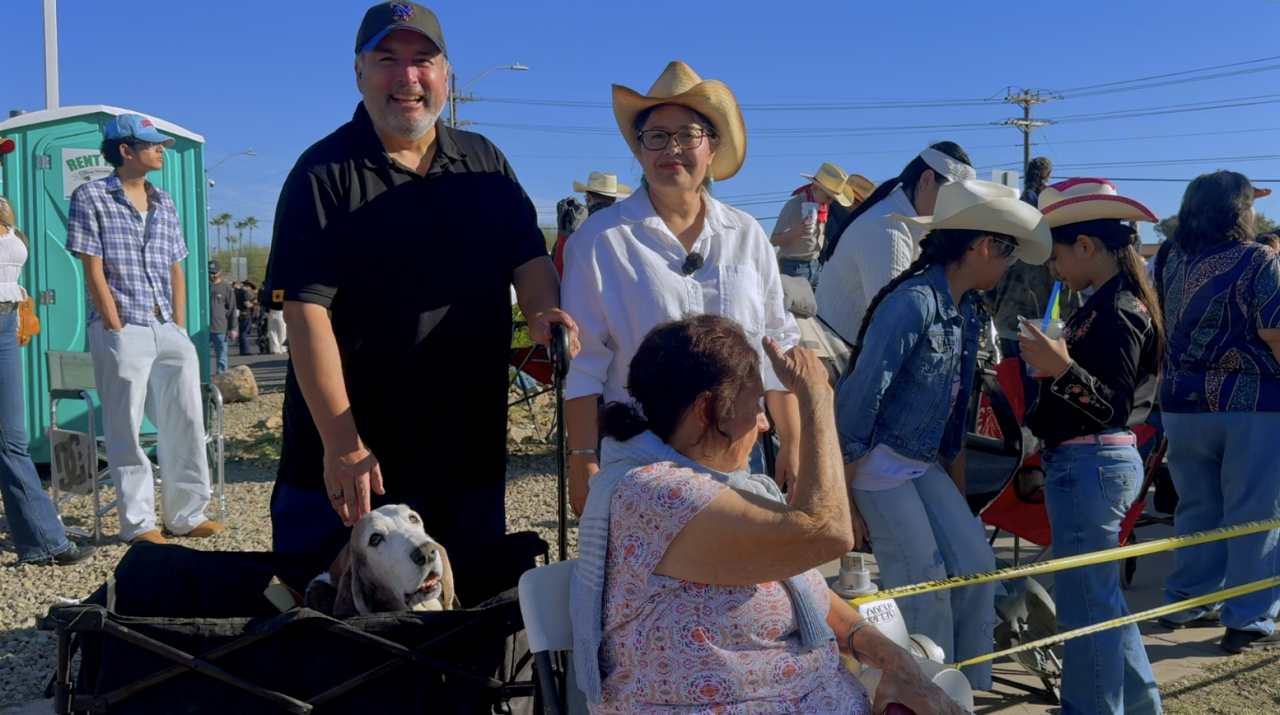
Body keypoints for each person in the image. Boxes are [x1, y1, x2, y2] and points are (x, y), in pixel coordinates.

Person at [262, 1, 576, 556]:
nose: (407, 77)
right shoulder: (322, 173)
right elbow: (306, 312)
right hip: (357, 466)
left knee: (463, 617)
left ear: (445, 75)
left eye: (423, 61)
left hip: (466, 454)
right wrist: (342, 444)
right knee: (339, 624)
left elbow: (528, 260)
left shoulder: (486, 163)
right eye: (388, 59)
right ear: (359, 72)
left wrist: (542, 313)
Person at [571, 314, 967, 715]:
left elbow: (810, 590)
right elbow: (828, 531)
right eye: (756, 405)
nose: (763, 423)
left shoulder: (717, 487)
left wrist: (896, 659)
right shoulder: (653, 496)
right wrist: (817, 398)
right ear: (707, 411)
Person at [836, 179, 1052, 690]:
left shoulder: (963, 311)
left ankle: (967, 690)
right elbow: (858, 398)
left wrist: (955, 501)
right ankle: (930, 696)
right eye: (1008, 252)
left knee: (977, 565)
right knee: (924, 587)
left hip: (920, 461)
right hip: (876, 462)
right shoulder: (912, 303)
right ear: (984, 247)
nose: (1008, 265)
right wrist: (844, 496)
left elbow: (954, 413)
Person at [561, 61, 801, 517]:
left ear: (712, 147)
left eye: (689, 134)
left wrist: (792, 441)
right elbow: (584, 362)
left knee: (737, 581)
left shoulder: (748, 235)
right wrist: (582, 460)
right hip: (638, 458)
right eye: (657, 136)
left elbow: (776, 346)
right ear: (639, 151)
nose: (672, 148)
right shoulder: (599, 240)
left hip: (735, 456)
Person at [1019, 178, 1163, 714]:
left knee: (1086, 609)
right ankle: (1141, 706)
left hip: (1090, 461)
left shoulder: (1119, 309)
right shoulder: (1109, 302)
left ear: (1085, 246)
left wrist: (1061, 368)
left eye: (1057, 253)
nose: (1054, 268)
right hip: (1090, 462)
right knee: (1099, 600)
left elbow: (1113, 405)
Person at [65, 113, 220, 545]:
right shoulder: (91, 196)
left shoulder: (165, 201)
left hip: (166, 326)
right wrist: (114, 326)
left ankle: (187, 515)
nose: (160, 149)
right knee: (125, 426)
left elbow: (177, 267)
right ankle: (138, 524)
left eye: (161, 144)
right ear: (124, 150)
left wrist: (179, 325)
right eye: (151, 144)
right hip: (123, 328)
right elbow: (92, 270)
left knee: (186, 419)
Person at [1157, 171, 1280, 654]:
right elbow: (1275, 332)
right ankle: (1248, 619)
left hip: (1182, 404)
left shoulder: (1169, 257)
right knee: (1255, 512)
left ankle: (1188, 598)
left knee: (1197, 508)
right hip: (1250, 403)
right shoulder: (1260, 259)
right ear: (1238, 212)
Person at [0, 197, 97, 566]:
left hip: (7, 322)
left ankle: (41, 542)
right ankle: (46, 542)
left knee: (11, 439)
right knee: (10, 441)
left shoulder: (4, 206)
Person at [817, 142, 976, 347]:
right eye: (953, 196)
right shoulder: (886, 227)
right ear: (926, 180)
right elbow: (895, 323)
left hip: (843, 353)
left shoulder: (899, 217)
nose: (955, 209)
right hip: (836, 360)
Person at [985, 157, 1084, 362]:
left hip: (1008, 323)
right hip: (1044, 329)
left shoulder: (1011, 224)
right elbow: (1066, 288)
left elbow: (989, 287)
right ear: (1048, 175)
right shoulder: (1052, 228)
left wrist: (998, 313)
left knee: (1012, 388)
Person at [772, 162, 852, 291]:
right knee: (794, 310)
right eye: (828, 197)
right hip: (793, 267)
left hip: (815, 265)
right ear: (815, 188)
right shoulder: (794, 206)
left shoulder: (823, 206)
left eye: (833, 198)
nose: (830, 202)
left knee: (819, 309)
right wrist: (795, 232)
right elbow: (772, 241)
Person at [552, 172, 633, 275]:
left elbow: (559, 269)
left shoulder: (577, 227)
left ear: (589, 197)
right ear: (615, 199)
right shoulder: (629, 228)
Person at [208, 260, 236, 374]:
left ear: (220, 272)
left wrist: (233, 328)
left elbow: (232, 309)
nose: (212, 275)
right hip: (203, 329)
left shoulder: (226, 288)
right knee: (200, 355)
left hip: (220, 328)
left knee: (221, 357)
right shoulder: (202, 286)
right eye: (209, 272)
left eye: (214, 273)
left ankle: (221, 379)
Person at [234, 279, 256, 355]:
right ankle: (245, 350)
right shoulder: (245, 292)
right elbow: (247, 304)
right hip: (246, 313)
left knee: (242, 331)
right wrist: (253, 303)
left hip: (241, 313)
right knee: (245, 332)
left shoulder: (237, 291)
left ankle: (243, 349)